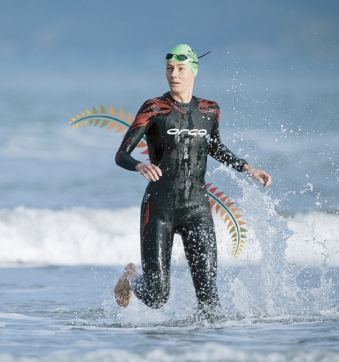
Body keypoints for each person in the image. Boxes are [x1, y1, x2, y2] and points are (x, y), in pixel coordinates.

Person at [113, 44, 271, 316]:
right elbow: (121, 154)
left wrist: (246, 167)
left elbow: (215, 146)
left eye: (180, 69)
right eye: (169, 69)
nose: (173, 74)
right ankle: (129, 278)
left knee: (209, 303)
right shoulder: (154, 108)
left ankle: (201, 343)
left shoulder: (210, 110)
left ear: (193, 71)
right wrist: (139, 164)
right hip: (159, 208)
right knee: (156, 296)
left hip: (197, 209)